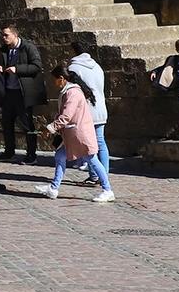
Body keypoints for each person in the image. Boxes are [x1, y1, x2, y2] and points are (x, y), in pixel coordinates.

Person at [32, 64, 116, 201]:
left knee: (92, 160)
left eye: (55, 80)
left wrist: (50, 128)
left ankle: (108, 190)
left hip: (79, 134)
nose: (54, 83)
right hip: (73, 134)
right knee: (60, 156)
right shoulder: (69, 91)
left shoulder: (72, 93)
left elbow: (66, 116)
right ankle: (54, 188)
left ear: (61, 78)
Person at [0, 26, 42, 164]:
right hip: (8, 91)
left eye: (6, 35)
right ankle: (9, 151)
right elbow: (2, 65)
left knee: (27, 124)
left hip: (22, 93)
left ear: (15, 35)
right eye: (2, 35)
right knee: (7, 123)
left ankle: (31, 154)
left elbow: (37, 66)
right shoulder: (4, 50)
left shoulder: (28, 47)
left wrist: (17, 69)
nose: (3, 38)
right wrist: (1, 69)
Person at [66, 39, 111, 185]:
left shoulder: (73, 68)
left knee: (89, 145)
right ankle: (103, 174)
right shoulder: (97, 66)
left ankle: (95, 176)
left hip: (86, 111)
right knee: (100, 142)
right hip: (100, 108)